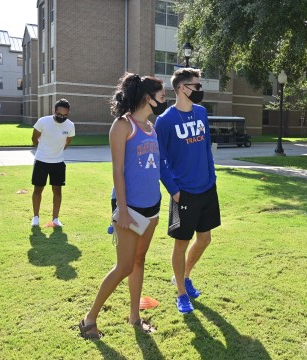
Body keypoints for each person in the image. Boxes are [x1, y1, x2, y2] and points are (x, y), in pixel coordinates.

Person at [79, 73, 166, 339]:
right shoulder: (122, 126)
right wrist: (124, 210)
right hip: (130, 208)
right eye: (162, 96)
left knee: (139, 261)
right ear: (147, 97)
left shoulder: (151, 126)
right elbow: (117, 171)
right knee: (124, 266)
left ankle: (135, 317)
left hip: (153, 206)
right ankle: (88, 319)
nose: (164, 100)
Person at [155, 68, 220, 314]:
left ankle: (184, 277)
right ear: (182, 88)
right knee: (181, 243)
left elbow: (205, 149)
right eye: (196, 85)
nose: (200, 90)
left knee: (205, 238)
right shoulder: (165, 120)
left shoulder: (202, 113)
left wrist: (211, 176)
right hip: (183, 193)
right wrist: (174, 190)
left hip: (206, 187)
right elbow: (161, 159)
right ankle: (181, 294)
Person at [30, 99, 75, 227]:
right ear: (54, 111)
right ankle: (35, 218)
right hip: (41, 161)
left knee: (57, 191)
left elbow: (68, 142)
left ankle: (55, 219)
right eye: (60, 114)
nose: (62, 117)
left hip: (58, 163)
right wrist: (44, 150)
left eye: (65, 115)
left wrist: (57, 151)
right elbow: (34, 138)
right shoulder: (43, 121)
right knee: (38, 189)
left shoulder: (70, 125)